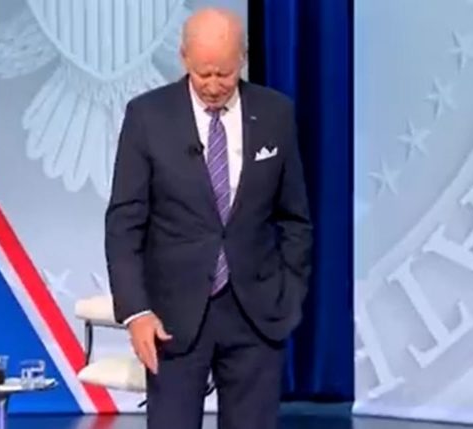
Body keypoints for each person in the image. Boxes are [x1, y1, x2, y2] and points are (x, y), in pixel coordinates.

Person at [105, 7, 312, 429]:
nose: (214, 86)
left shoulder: (276, 113)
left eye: (224, 73)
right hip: (173, 318)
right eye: (204, 75)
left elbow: (295, 219)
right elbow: (124, 223)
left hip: (256, 315)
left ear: (244, 59)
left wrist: (287, 297)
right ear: (183, 59)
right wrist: (136, 312)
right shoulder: (148, 116)